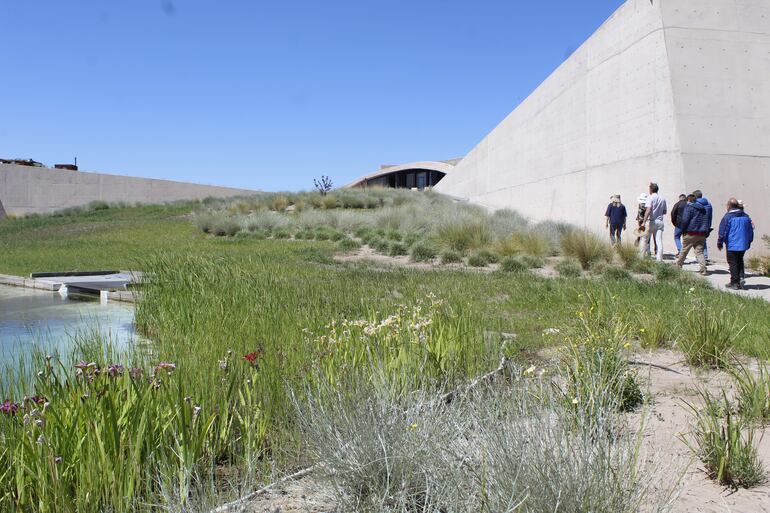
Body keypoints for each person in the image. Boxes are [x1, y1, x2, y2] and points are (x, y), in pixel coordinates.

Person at [717, 198, 754, 290]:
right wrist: (749, 241)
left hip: (732, 244)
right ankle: (740, 278)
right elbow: (750, 230)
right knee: (740, 260)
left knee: (733, 263)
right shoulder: (746, 216)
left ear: (729, 206)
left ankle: (734, 282)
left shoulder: (727, 217)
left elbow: (723, 231)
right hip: (743, 243)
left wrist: (720, 242)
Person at [675, 194, 709, 275]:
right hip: (701, 233)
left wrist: (683, 230)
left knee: (684, 250)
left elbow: (685, 220)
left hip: (691, 232)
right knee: (699, 252)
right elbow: (706, 220)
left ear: (689, 200)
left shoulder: (689, 208)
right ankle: (703, 268)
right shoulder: (703, 209)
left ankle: (678, 265)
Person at [640, 183, 667, 261]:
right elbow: (664, 211)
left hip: (652, 221)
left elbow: (648, 210)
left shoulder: (650, 198)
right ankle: (659, 259)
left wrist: (643, 222)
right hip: (660, 221)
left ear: (651, 189)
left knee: (644, 239)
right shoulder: (663, 198)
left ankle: (641, 257)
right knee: (659, 241)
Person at [693, 190, 713, 263]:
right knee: (703, 240)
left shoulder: (695, 204)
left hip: (697, 226)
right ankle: (705, 256)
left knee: (696, 242)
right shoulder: (709, 204)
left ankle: (700, 258)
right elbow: (710, 216)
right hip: (706, 225)